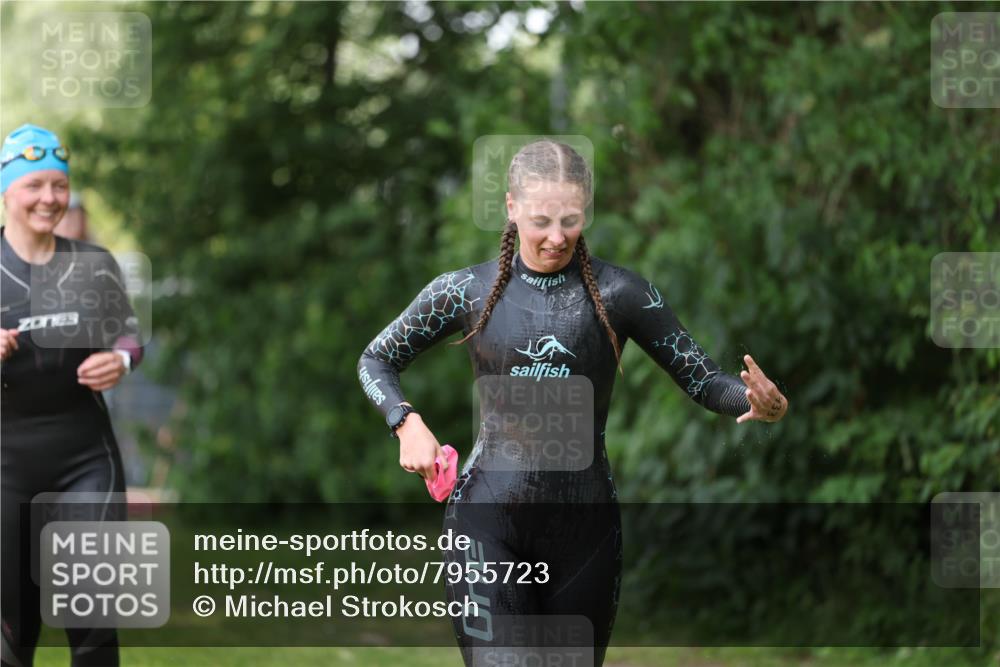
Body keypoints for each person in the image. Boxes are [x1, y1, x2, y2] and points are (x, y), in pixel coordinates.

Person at [358, 139, 788, 666]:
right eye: (540, 220)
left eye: (571, 219)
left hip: (585, 536)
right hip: (487, 523)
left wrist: (754, 400)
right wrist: (406, 423)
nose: (556, 237)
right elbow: (376, 359)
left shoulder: (623, 294)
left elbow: (702, 380)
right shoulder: (463, 291)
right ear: (511, 208)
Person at [1, 124, 143, 667]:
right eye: (34, 184)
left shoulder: (94, 264)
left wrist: (123, 358)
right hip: (6, 465)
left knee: (94, 627)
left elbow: (129, 331)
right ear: (7, 190)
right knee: (13, 632)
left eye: (59, 186)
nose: (49, 198)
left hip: (85, 460)